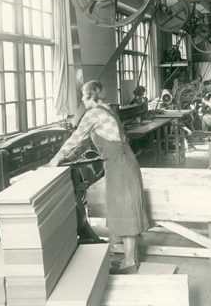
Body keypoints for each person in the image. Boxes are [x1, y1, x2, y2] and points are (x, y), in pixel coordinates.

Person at [48, 80, 149, 275]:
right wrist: (69, 157)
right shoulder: (108, 109)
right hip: (123, 164)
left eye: (84, 95)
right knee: (125, 210)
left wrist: (57, 157)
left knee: (126, 212)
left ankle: (130, 263)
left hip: (120, 167)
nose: (82, 99)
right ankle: (130, 259)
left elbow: (77, 136)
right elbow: (86, 142)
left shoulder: (93, 113)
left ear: (91, 96)